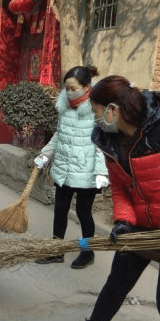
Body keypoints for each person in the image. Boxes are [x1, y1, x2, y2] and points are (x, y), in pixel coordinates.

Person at [68, 75, 160, 321]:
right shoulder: (112, 143)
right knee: (116, 285)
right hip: (140, 228)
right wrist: (123, 221)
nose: (96, 119)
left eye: (96, 112)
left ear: (112, 110)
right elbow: (121, 189)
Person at [34, 66, 108, 269]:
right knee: (59, 210)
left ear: (86, 87)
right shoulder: (65, 107)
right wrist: (45, 153)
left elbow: (101, 144)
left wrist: (102, 172)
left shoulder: (97, 111)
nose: (68, 92)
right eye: (66, 88)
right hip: (65, 169)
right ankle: (56, 251)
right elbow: (59, 134)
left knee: (84, 213)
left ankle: (87, 251)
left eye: (73, 88)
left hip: (87, 172)